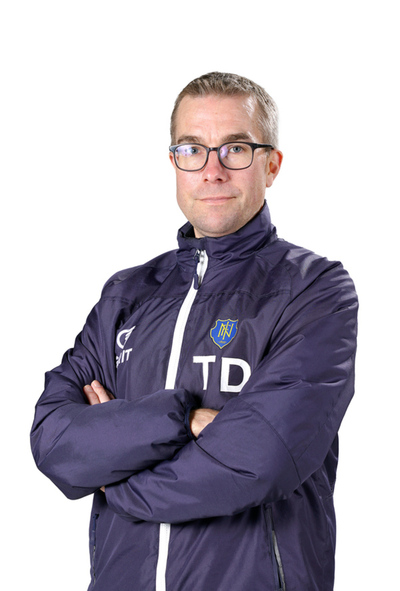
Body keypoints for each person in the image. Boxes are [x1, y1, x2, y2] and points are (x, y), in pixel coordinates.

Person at [31, 72, 358, 591]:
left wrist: (118, 478)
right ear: (174, 163)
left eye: (236, 149)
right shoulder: (126, 293)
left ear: (272, 165)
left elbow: (263, 458)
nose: (212, 170)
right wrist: (184, 420)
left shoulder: (314, 289)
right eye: (192, 150)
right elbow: (55, 442)